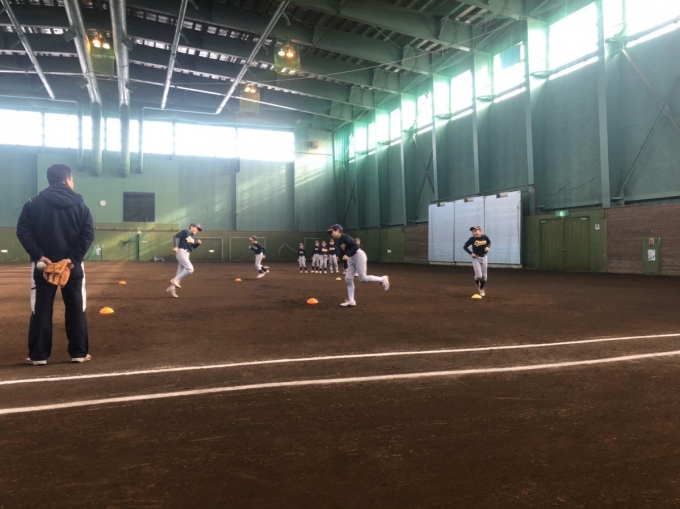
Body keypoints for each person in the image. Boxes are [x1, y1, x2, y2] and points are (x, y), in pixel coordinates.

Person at [16, 164, 95, 365]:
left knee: (41, 309)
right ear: (67, 180)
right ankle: (78, 353)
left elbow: (23, 231)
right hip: (72, 267)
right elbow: (88, 234)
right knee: (76, 307)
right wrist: (72, 259)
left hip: (44, 266)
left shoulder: (33, 203)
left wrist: (39, 256)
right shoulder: (81, 205)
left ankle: (38, 356)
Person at [327, 224, 389, 307]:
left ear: (338, 230)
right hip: (351, 258)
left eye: (332, 231)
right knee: (348, 279)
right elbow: (343, 253)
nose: (331, 234)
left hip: (358, 255)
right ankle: (351, 300)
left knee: (363, 279)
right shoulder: (339, 242)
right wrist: (343, 257)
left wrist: (347, 254)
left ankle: (383, 279)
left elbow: (355, 246)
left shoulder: (345, 237)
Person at [167, 223, 203, 298]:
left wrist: (198, 243)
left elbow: (193, 247)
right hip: (181, 252)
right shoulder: (185, 232)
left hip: (187, 253)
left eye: (198, 229)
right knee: (190, 269)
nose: (197, 230)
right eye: (197, 228)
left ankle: (171, 288)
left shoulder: (193, 236)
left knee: (179, 272)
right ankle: (175, 280)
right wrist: (175, 246)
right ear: (192, 227)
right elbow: (175, 237)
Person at [463, 225, 491, 297]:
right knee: (478, 276)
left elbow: (489, 242)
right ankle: (477, 282)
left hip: (484, 257)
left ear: (480, 231)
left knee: (484, 277)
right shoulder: (472, 239)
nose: (474, 233)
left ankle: (481, 288)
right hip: (476, 258)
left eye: (475, 231)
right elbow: (465, 247)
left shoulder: (485, 237)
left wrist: (488, 247)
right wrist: (471, 253)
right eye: (473, 232)